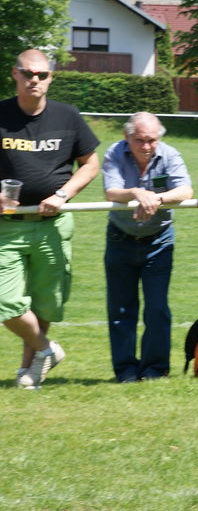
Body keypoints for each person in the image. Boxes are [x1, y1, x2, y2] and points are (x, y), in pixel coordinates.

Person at [1, 49, 100, 389]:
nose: (35, 80)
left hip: (53, 226)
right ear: (15, 74)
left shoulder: (67, 116)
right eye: (28, 73)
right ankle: (47, 350)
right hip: (7, 227)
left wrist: (63, 194)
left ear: (50, 78)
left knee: (45, 303)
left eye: (42, 75)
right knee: (5, 302)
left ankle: (29, 371)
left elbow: (90, 164)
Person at [102, 112, 193, 382]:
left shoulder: (170, 154)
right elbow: (111, 191)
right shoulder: (114, 152)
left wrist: (156, 198)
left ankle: (155, 369)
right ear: (127, 136)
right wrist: (136, 193)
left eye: (151, 140)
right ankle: (126, 370)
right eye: (139, 140)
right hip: (120, 239)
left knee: (157, 308)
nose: (146, 146)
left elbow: (185, 190)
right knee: (121, 309)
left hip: (159, 241)